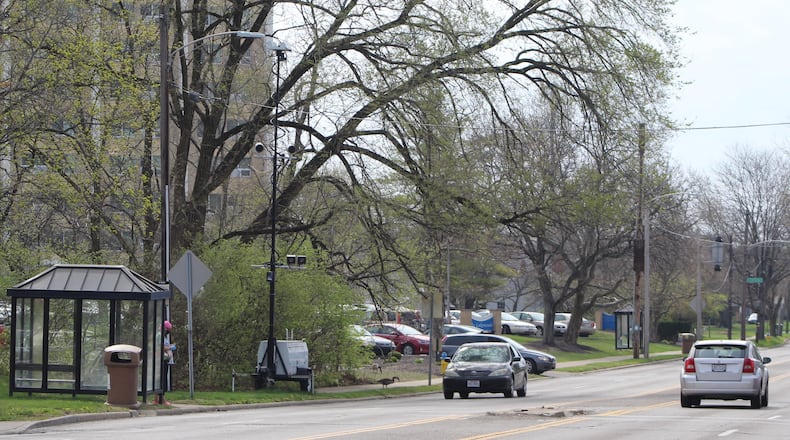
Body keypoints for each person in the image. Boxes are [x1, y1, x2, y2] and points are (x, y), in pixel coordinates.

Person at [157, 320, 175, 405]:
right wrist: (170, 347)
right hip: (162, 360)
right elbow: (161, 347)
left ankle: (158, 399)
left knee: (161, 379)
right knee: (162, 379)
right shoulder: (159, 336)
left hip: (165, 360)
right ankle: (162, 399)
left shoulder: (164, 337)